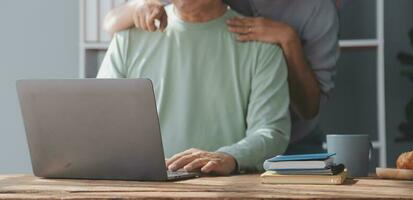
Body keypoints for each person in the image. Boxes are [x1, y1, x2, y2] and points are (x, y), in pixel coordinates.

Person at [103, 0, 340, 155]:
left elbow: (304, 111)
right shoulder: (130, 39)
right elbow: (111, 22)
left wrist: (289, 40)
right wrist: (134, 9)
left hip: (290, 142)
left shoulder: (314, 11)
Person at [97, 0, 291, 175]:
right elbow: (99, 120)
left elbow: (271, 132)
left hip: (220, 187)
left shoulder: (261, 46)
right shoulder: (127, 38)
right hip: (137, 185)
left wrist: (229, 157)